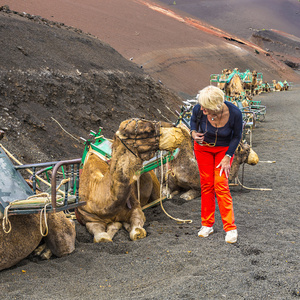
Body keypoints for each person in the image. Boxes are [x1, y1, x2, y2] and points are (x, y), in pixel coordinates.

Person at [190, 85, 243, 243]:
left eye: (206, 108)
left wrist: (228, 156)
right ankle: (207, 225)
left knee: (221, 185)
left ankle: (230, 228)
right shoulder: (199, 109)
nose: (202, 110)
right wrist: (193, 133)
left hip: (224, 150)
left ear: (216, 106)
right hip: (203, 149)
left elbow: (237, 136)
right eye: (202, 107)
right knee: (206, 185)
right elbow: (193, 122)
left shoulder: (234, 113)